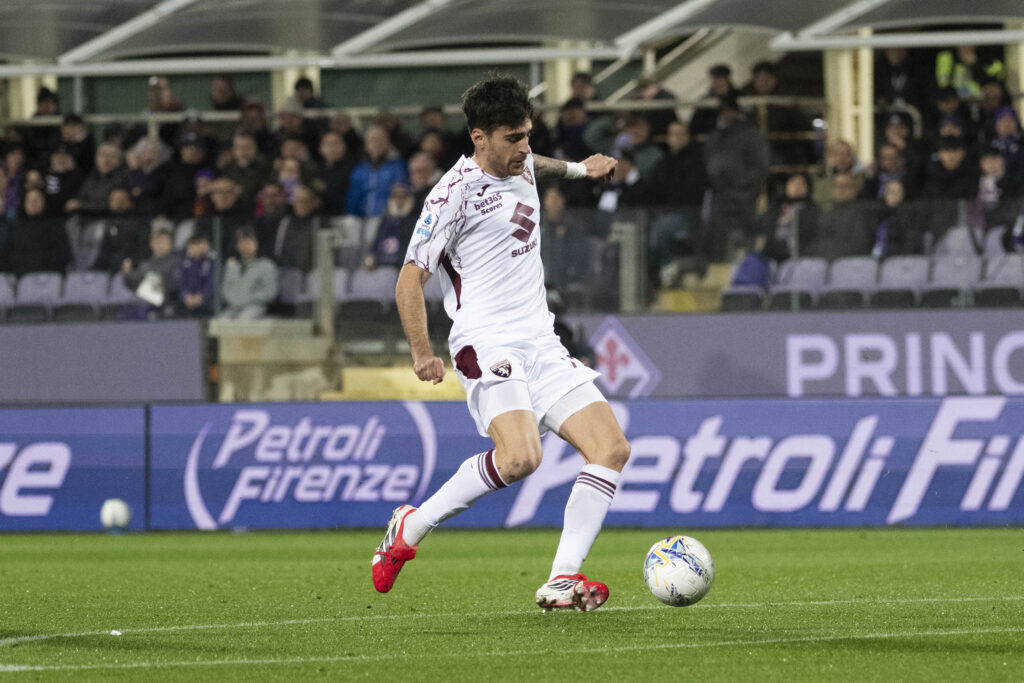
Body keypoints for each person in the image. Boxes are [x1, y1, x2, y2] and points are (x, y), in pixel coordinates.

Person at [372, 76, 627, 613]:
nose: (525, 147)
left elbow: (542, 165)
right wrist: (422, 351)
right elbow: (408, 279)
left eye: (529, 135)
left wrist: (582, 168)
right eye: (514, 137)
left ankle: (561, 579)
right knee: (520, 460)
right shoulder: (452, 196)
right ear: (479, 136)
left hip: (541, 338)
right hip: (486, 341)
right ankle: (409, 527)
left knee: (611, 449)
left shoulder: (524, 162)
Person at [220, 228, 278, 319]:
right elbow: (225, 290)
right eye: (242, 242)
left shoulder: (266, 265)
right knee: (221, 321)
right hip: (233, 308)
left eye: (249, 242)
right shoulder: (232, 266)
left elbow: (270, 292)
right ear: (236, 245)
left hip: (256, 307)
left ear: (257, 243)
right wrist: (236, 300)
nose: (245, 246)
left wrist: (247, 299)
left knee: (244, 319)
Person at [178, 233, 216, 317]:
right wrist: (186, 296)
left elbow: (212, 284)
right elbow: (182, 283)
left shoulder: (213, 261)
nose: (191, 249)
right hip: (188, 302)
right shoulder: (186, 262)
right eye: (190, 247)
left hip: (208, 304)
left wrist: (201, 297)